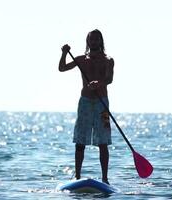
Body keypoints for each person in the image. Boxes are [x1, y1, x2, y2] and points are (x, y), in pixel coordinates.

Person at [58, 29, 114, 184]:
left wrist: (99, 83)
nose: (94, 42)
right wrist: (64, 53)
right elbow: (62, 68)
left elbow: (109, 79)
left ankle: (105, 179)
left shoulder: (108, 60)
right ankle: (77, 177)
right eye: (91, 39)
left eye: (97, 39)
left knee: (103, 142)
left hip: (102, 103)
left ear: (101, 41)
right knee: (80, 141)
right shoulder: (81, 59)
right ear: (88, 42)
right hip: (85, 103)